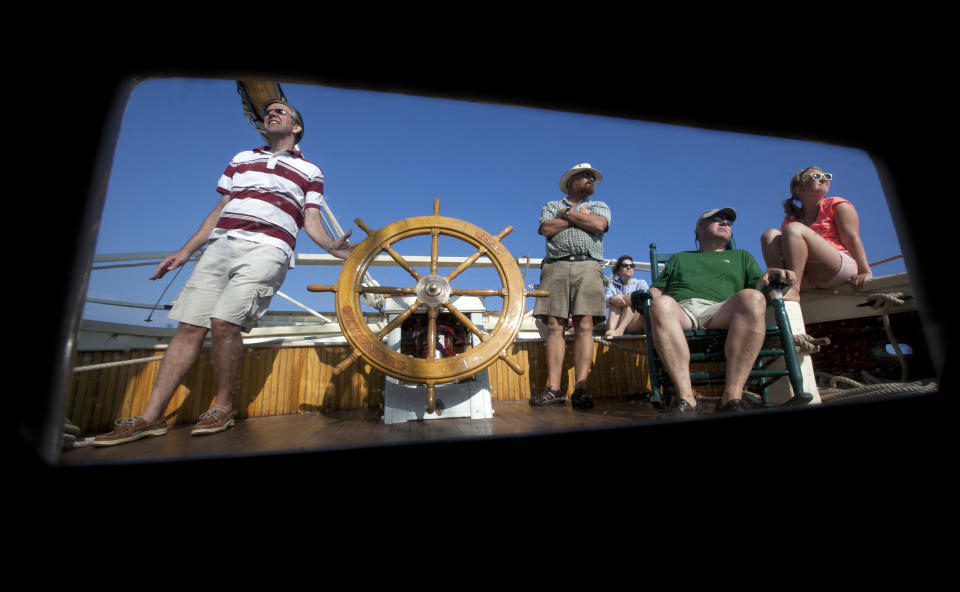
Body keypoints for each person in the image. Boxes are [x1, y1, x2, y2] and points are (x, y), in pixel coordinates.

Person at [94, 99, 356, 446]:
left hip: (268, 249)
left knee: (224, 323)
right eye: (268, 111)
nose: (271, 113)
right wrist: (185, 251)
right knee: (189, 326)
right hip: (220, 246)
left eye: (281, 111)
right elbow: (220, 208)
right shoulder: (241, 160)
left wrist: (338, 249)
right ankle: (149, 417)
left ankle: (223, 406)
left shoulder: (311, 171)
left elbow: (311, 222)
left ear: (296, 128)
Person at [647, 208, 794, 416]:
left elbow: (760, 290)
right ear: (699, 228)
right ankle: (687, 399)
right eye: (717, 218)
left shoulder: (742, 256)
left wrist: (771, 275)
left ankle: (732, 398)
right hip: (683, 310)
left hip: (722, 309)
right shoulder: (680, 258)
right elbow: (657, 290)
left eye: (728, 221)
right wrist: (640, 297)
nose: (725, 222)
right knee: (660, 304)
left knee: (753, 298)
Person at [530, 163, 611, 410]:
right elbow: (546, 229)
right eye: (585, 176)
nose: (590, 180)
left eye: (592, 177)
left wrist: (565, 216)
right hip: (555, 266)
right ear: (571, 181)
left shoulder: (600, 206)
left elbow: (599, 225)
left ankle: (581, 388)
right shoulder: (551, 205)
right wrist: (579, 218)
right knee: (554, 325)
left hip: (588, 264)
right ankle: (554, 389)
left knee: (585, 324)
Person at [760, 166, 872, 301]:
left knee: (793, 229)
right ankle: (781, 285)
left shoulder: (836, 204)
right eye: (816, 176)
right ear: (799, 189)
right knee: (769, 235)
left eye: (827, 176)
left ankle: (793, 290)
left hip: (837, 269)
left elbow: (851, 238)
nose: (824, 178)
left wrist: (865, 271)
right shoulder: (791, 219)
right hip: (807, 277)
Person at [604, 254, 649, 337]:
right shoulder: (613, 285)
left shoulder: (640, 283)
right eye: (625, 265)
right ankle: (611, 330)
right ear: (618, 270)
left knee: (630, 302)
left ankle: (619, 331)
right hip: (616, 322)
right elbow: (604, 301)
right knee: (614, 301)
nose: (629, 267)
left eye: (631, 265)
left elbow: (647, 299)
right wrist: (612, 299)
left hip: (635, 322)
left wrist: (634, 296)